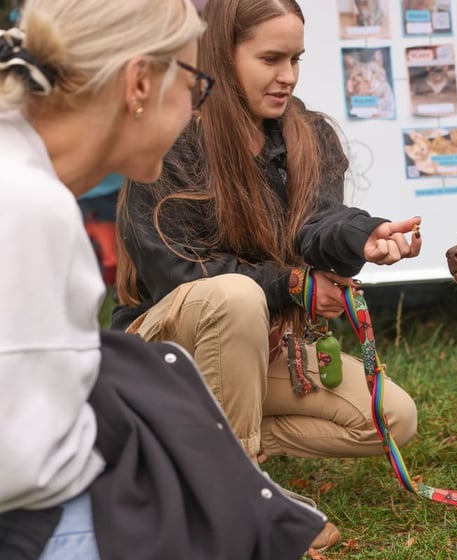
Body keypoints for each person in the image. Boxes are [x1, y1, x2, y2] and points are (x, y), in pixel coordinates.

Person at [0, 1, 325, 559]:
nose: (200, 109)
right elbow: (22, 465)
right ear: (139, 83)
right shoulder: (29, 207)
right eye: (196, 85)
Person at [112, 0, 423, 550]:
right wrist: (293, 286)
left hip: (261, 346)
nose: (288, 76)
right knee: (233, 297)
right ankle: (238, 503)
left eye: (296, 59)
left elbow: (318, 224)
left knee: (392, 419)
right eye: (270, 58)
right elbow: (176, 272)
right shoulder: (173, 133)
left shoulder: (310, 135)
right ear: (220, 53)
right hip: (162, 348)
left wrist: (362, 236)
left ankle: (184, 452)